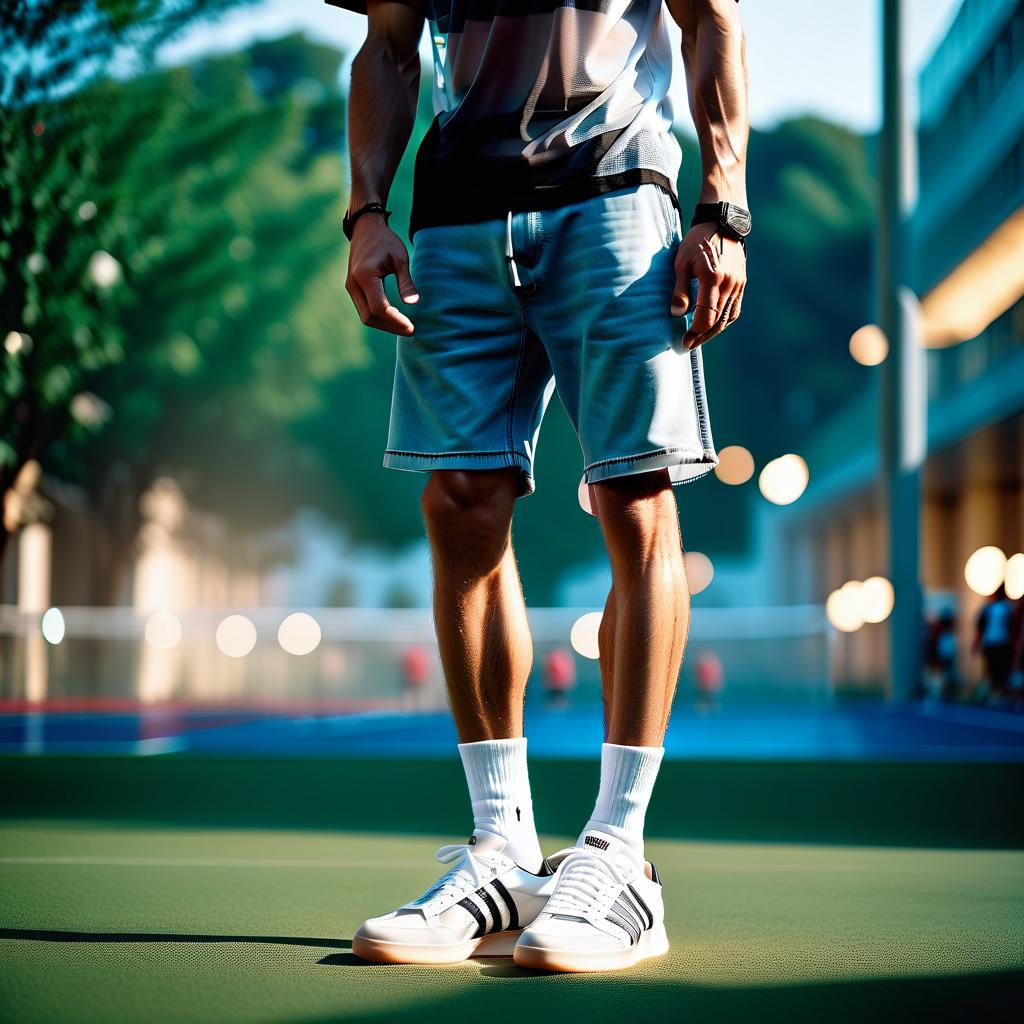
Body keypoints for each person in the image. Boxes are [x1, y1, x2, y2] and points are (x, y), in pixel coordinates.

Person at [331, 0, 748, 973]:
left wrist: (721, 207)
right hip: (456, 208)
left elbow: (711, 16)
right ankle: (504, 853)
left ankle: (618, 855)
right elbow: (388, 44)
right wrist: (364, 211)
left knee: (634, 498)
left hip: (614, 185)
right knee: (458, 503)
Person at [973, 585, 1015, 704]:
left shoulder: (1006, 608)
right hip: (993, 643)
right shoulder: (991, 608)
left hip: (1001, 644)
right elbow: (981, 627)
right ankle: (992, 692)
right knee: (992, 668)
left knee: (999, 669)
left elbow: (1013, 627)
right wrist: (976, 644)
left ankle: (997, 692)